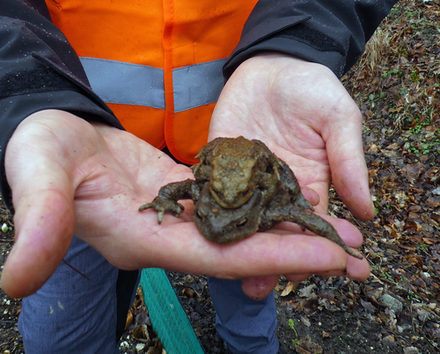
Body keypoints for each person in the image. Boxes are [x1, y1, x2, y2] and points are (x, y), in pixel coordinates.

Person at [0, 0, 396, 353]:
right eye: (207, 214)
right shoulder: (202, 190)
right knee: (61, 327)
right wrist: (31, 91)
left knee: (251, 291)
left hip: (239, 117)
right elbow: (184, 186)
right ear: (201, 202)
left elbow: (292, 196)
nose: (217, 226)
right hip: (93, 146)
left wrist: (294, 44)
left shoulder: (262, 202)